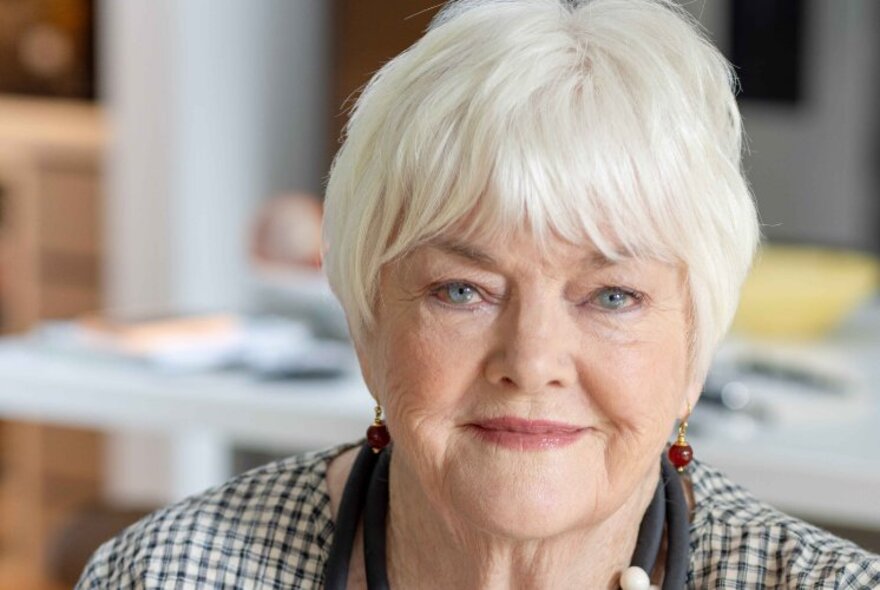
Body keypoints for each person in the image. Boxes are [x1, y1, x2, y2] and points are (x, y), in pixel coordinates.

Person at [77, 0, 880, 588]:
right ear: (367, 321)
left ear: (695, 348)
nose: (531, 363)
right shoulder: (171, 572)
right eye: (463, 289)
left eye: (611, 297)